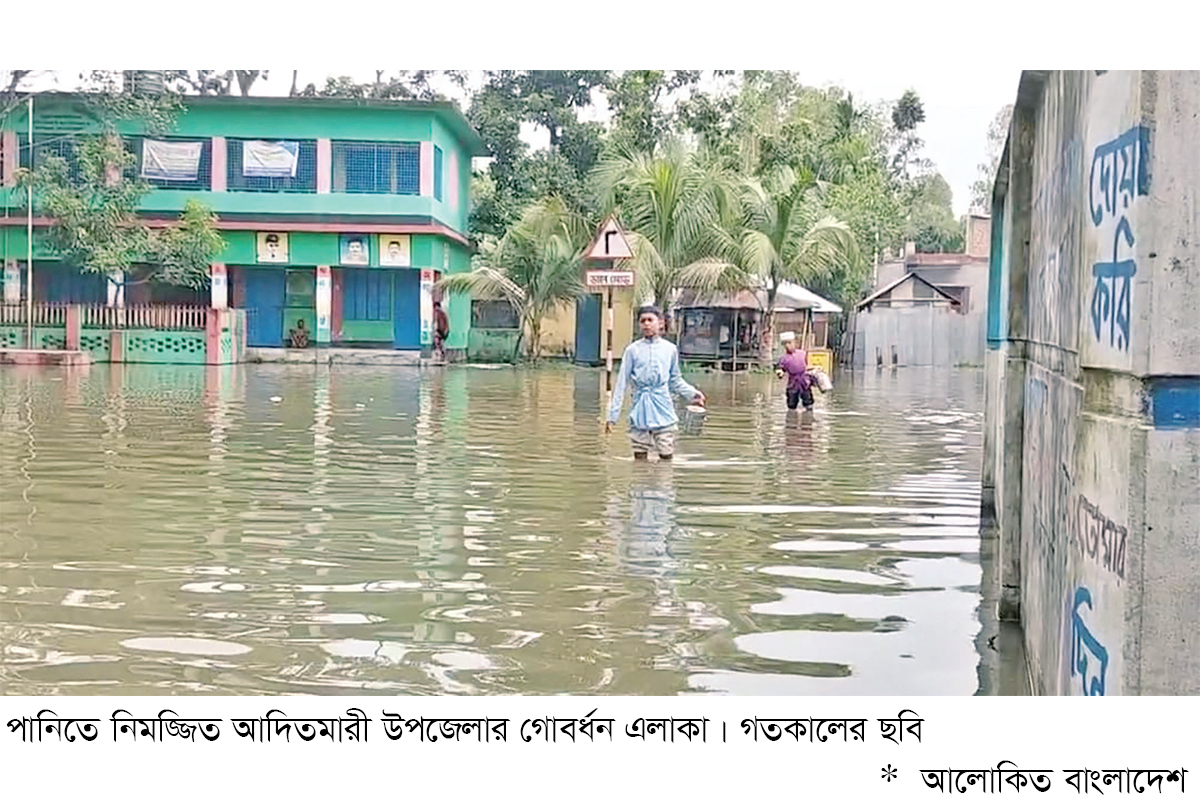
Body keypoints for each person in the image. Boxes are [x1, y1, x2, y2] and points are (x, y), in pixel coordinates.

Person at [605, 305, 706, 461]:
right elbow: (621, 383)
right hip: (640, 406)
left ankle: (664, 482)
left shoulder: (670, 349)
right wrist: (612, 416)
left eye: (650, 320)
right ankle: (640, 482)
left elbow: (675, 380)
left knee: (666, 452)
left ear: (660, 323)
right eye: (642, 321)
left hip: (662, 405)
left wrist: (692, 394)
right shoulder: (632, 350)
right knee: (639, 454)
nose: (646, 324)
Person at [775, 331, 814, 410]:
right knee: (791, 404)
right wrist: (780, 373)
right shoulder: (783, 359)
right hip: (793, 384)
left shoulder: (803, 353)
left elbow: (807, 366)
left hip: (804, 382)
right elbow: (781, 369)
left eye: (789, 343)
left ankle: (808, 419)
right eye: (785, 344)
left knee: (808, 402)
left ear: (794, 342)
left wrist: (815, 368)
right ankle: (791, 419)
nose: (788, 345)